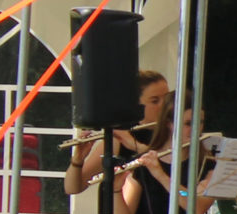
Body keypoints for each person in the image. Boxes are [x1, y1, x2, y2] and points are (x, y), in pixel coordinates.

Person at [62, 69, 170, 197]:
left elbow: (172, 174)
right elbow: (72, 188)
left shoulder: (177, 133)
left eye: (167, 99)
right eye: (155, 101)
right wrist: (78, 160)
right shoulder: (120, 139)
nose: (165, 106)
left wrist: (134, 146)